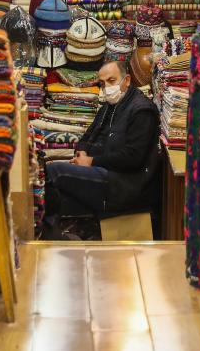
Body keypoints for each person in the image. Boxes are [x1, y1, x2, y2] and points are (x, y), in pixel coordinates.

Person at [44, 60, 160, 238]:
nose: (107, 87)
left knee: (54, 172)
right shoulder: (109, 107)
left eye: (111, 81)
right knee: (55, 183)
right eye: (103, 83)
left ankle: (48, 236)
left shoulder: (142, 110)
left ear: (127, 80)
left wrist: (91, 161)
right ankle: (58, 235)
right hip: (105, 172)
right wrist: (82, 153)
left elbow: (133, 158)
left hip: (124, 183)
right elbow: (87, 136)